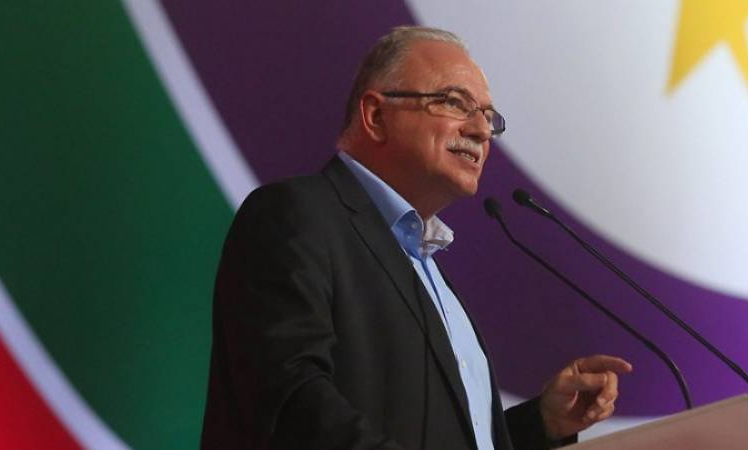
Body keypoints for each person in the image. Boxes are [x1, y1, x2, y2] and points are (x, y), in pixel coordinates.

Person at [201, 26, 632, 450]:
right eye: (455, 103)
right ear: (376, 116)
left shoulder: (426, 267)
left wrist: (540, 424)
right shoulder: (295, 215)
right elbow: (288, 404)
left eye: (487, 117)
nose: (481, 131)